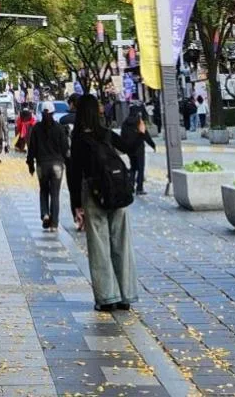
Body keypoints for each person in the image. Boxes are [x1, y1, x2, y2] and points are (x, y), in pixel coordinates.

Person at [66, 93, 138, 313]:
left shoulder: (79, 139)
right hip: (117, 192)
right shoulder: (106, 133)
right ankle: (126, 296)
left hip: (93, 192)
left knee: (99, 245)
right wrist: (139, 132)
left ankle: (107, 297)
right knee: (121, 242)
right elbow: (127, 147)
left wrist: (76, 204)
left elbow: (74, 174)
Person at [27, 105, 70, 231]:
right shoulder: (59, 129)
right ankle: (54, 224)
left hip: (42, 164)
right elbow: (65, 148)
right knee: (55, 194)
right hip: (57, 164)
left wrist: (30, 164)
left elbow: (32, 148)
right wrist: (67, 162)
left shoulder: (36, 128)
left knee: (44, 190)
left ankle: (45, 214)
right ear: (53, 113)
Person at [124, 110, 156, 195]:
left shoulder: (125, 123)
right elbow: (145, 135)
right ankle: (139, 188)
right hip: (139, 148)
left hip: (129, 149)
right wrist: (152, 145)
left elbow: (122, 135)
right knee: (141, 168)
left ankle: (130, 186)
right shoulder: (139, 122)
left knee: (133, 167)